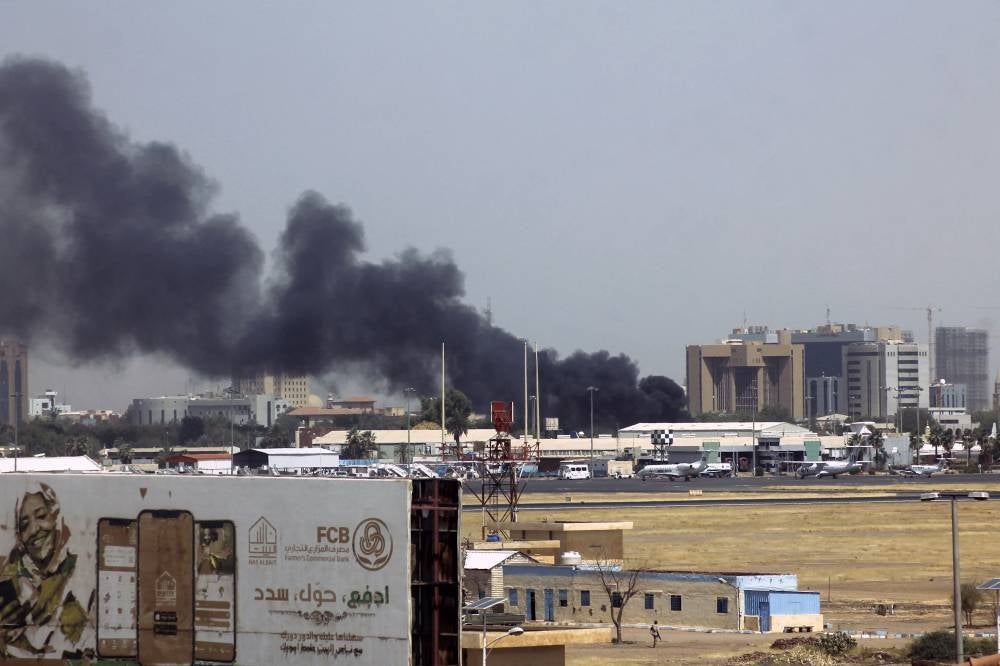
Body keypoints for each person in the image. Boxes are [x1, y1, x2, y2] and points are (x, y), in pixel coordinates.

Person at [0, 484, 94, 659]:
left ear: (55, 514)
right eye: (24, 525)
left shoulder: (83, 567)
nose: (34, 530)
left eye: (41, 516)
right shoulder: (9, 580)